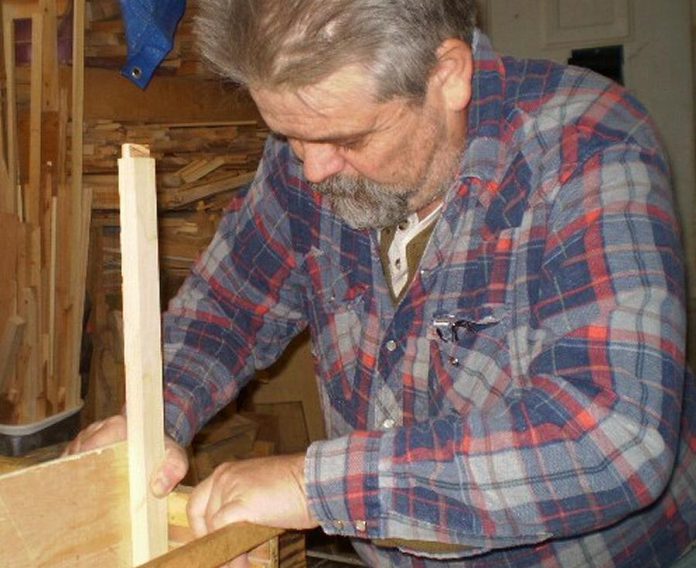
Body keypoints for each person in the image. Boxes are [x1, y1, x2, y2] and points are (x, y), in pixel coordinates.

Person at [67, 1, 696, 566]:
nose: (311, 171)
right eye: (287, 136)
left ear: (447, 76)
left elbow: (611, 439)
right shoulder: (308, 155)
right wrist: (157, 415)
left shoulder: (588, 147)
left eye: (346, 138)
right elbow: (228, 309)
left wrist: (315, 487)